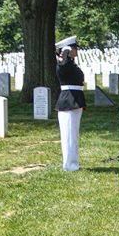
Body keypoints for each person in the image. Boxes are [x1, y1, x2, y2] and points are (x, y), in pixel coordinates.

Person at [54, 36, 85, 172]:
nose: (76, 50)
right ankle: (69, 165)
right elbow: (63, 65)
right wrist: (65, 52)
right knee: (68, 134)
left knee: (73, 134)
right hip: (68, 101)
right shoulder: (63, 64)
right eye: (73, 48)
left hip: (75, 100)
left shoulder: (71, 64)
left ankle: (73, 163)